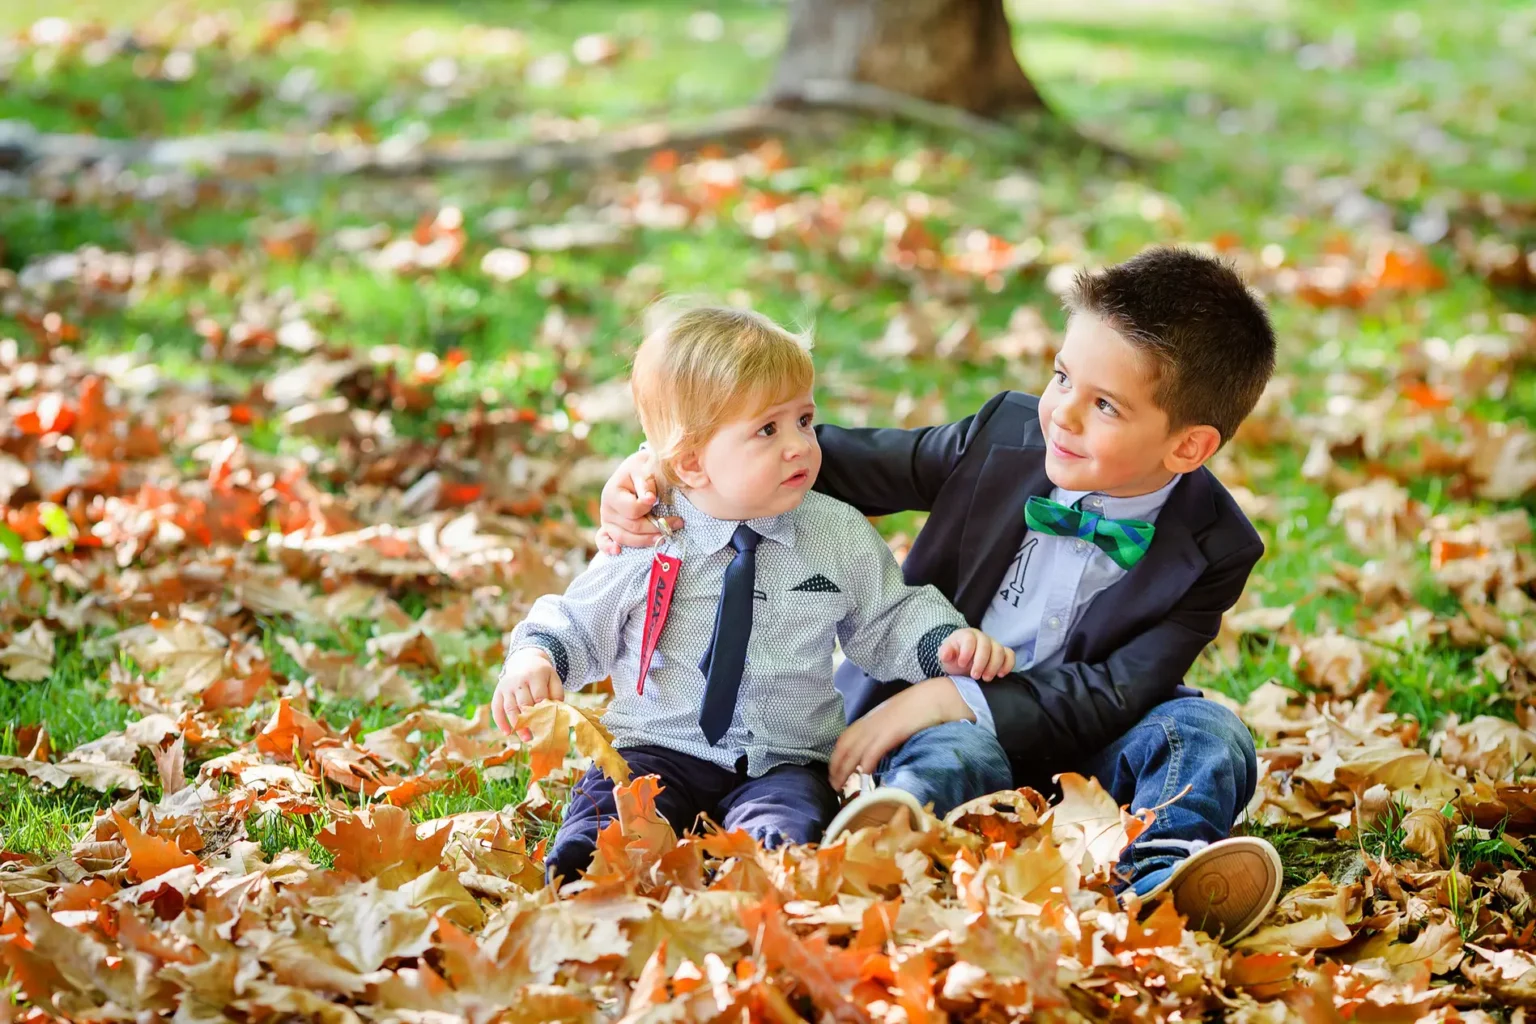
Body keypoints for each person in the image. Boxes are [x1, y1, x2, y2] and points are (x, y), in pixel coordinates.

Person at [596, 247, 1283, 943]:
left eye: (1104, 405)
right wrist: (663, 469)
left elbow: (1116, 690)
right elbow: (817, 459)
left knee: (1210, 733)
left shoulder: (1217, 545)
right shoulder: (1003, 437)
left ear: (1188, 447)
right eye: (1061, 378)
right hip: (935, 739)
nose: (1063, 415)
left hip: (1088, 749)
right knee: (957, 755)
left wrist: (954, 694)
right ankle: (877, 849)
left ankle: (1162, 882)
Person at [493, 305, 1014, 887]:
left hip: (785, 758)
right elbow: (580, 619)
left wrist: (944, 644)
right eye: (768, 429)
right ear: (690, 462)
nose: (799, 446)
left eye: (805, 420)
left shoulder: (835, 532)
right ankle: (586, 877)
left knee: (785, 838)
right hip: (656, 745)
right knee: (615, 817)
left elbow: (888, 615)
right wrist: (536, 656)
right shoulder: (651, 534)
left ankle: (755, 881)